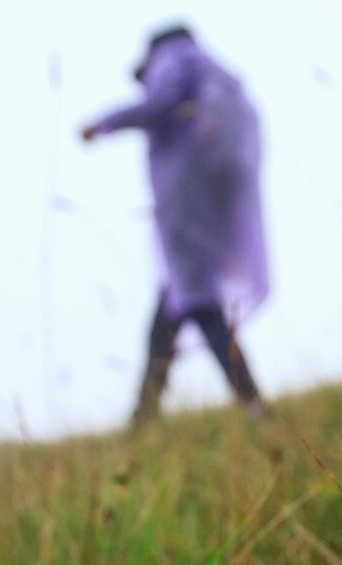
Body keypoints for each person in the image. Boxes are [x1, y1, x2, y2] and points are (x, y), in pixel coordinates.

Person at [82, 25, 270, 428]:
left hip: (184, 210)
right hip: (197, 207)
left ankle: (251, 407)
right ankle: (145, 417)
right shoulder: (209, 70)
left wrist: (105, 123)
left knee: (200, 307)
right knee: (172, 312)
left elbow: (160, 104)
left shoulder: (174, 59)